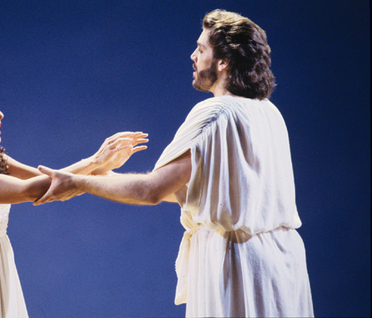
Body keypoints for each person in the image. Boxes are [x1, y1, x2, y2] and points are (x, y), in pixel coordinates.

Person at [34, 9, 314, 317]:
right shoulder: (269, 113)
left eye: (201, 49)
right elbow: (188, 192)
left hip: (237, 266)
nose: (193, 56)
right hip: (282, 266)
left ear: (223, 62)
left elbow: (151, 191)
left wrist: (78, 181)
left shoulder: (215, 113)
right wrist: (106, 175)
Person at [0, 74, 148, 318]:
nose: (0, 114)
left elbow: (53, 185)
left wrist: (99, 168)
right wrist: (93, 161)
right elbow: (29, 190)